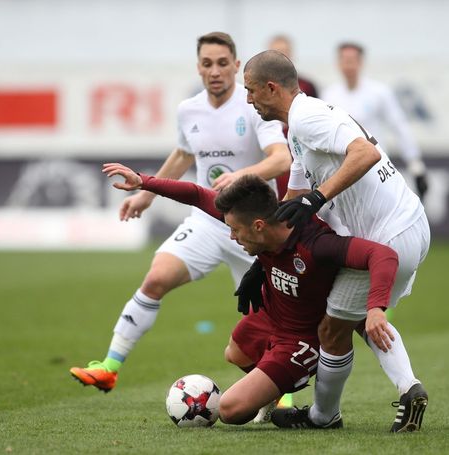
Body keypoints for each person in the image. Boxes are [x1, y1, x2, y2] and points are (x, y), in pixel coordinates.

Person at [69, 32, 291, 393]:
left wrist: (242, 176)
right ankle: (109, 366)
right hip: (206, 220)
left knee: (268, 321)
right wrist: (147, 193)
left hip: (252, 229)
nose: (215, 71)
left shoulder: (254, 106)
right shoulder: (189, 110)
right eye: (207, 64)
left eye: (222, 63)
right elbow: (184, 154)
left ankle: (283, 396)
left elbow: (281, 158)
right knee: (156, 279)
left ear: (236, 66)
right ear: (199, 68)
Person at [101, 163, 400, 426]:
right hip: (272, 315)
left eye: (235, 231)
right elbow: (194, 193)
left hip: (301, 338)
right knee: (235, 352)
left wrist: (376, 308)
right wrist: (143, 182)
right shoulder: (257, 224)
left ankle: (290, 381)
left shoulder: (316, 244)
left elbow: (382, 255)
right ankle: (273, 388)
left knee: (230, 411)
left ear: (258, 226)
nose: (232, 237)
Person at [242, 50, 430, 432]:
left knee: (331, 327)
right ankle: (409, 388)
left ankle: (323, 416)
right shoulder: (298, 128)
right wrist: (261, 258)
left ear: (271, 88)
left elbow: (366, 152)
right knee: (359, 319)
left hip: (389, 234)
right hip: (407, 226)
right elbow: (292, 202)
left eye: (250, 91)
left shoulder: (307, 117)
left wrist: (320, 196)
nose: (248, 100)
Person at [322, 42, 428, 200]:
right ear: (338, 63)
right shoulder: (330, 95)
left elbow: (399, 126)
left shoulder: (379, 93)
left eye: (352, 60)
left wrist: (416, 165)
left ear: (361, 62)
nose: (349, 65)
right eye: (345, 60)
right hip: (343, 171)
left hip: (376, 167)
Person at [267, 35, 319, 201]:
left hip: (301, 153)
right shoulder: (258, 87)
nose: (281, 58)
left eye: (285, 53)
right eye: (276, 53)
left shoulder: (307, 86)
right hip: (273, 154)